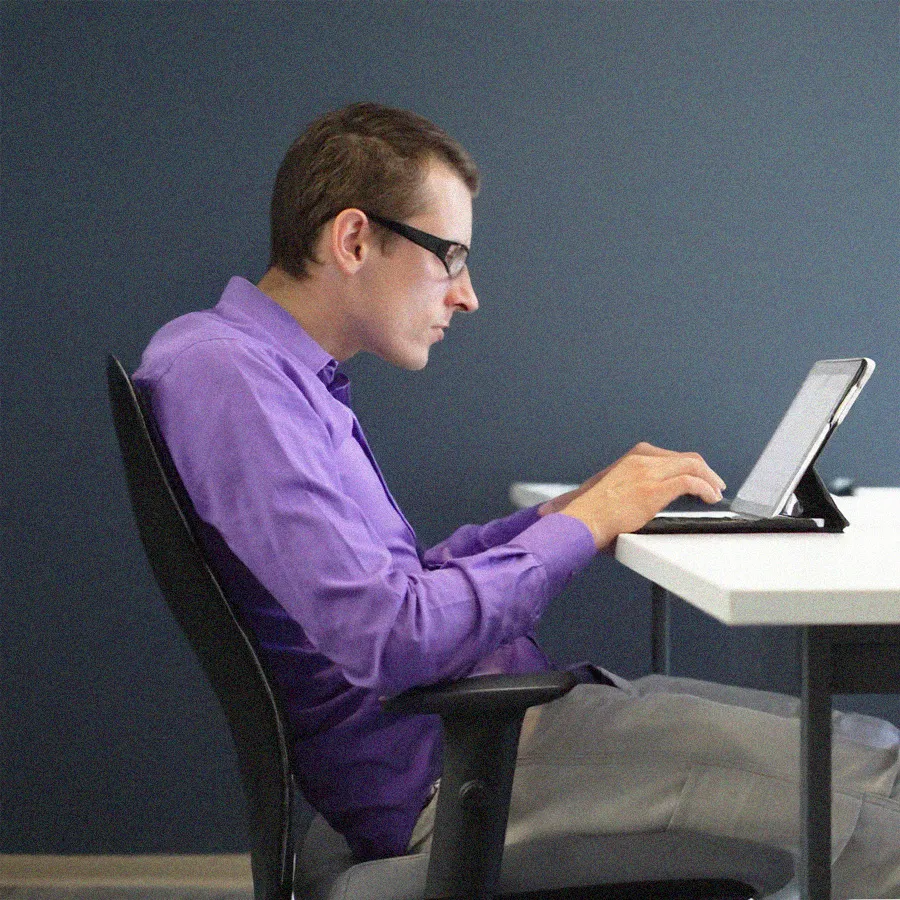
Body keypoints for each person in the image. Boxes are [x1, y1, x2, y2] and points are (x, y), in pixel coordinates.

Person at [134, 103, 900, 897]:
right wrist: (584, 524)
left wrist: (567, 516)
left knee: (873, 745)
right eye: (450, 257)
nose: (467, 296)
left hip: (492, 734)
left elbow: (398, 586)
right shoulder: (229, 376)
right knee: (882, 811)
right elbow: (391, 634)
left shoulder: (270, 375)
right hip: (464, 767)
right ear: (354, 240)